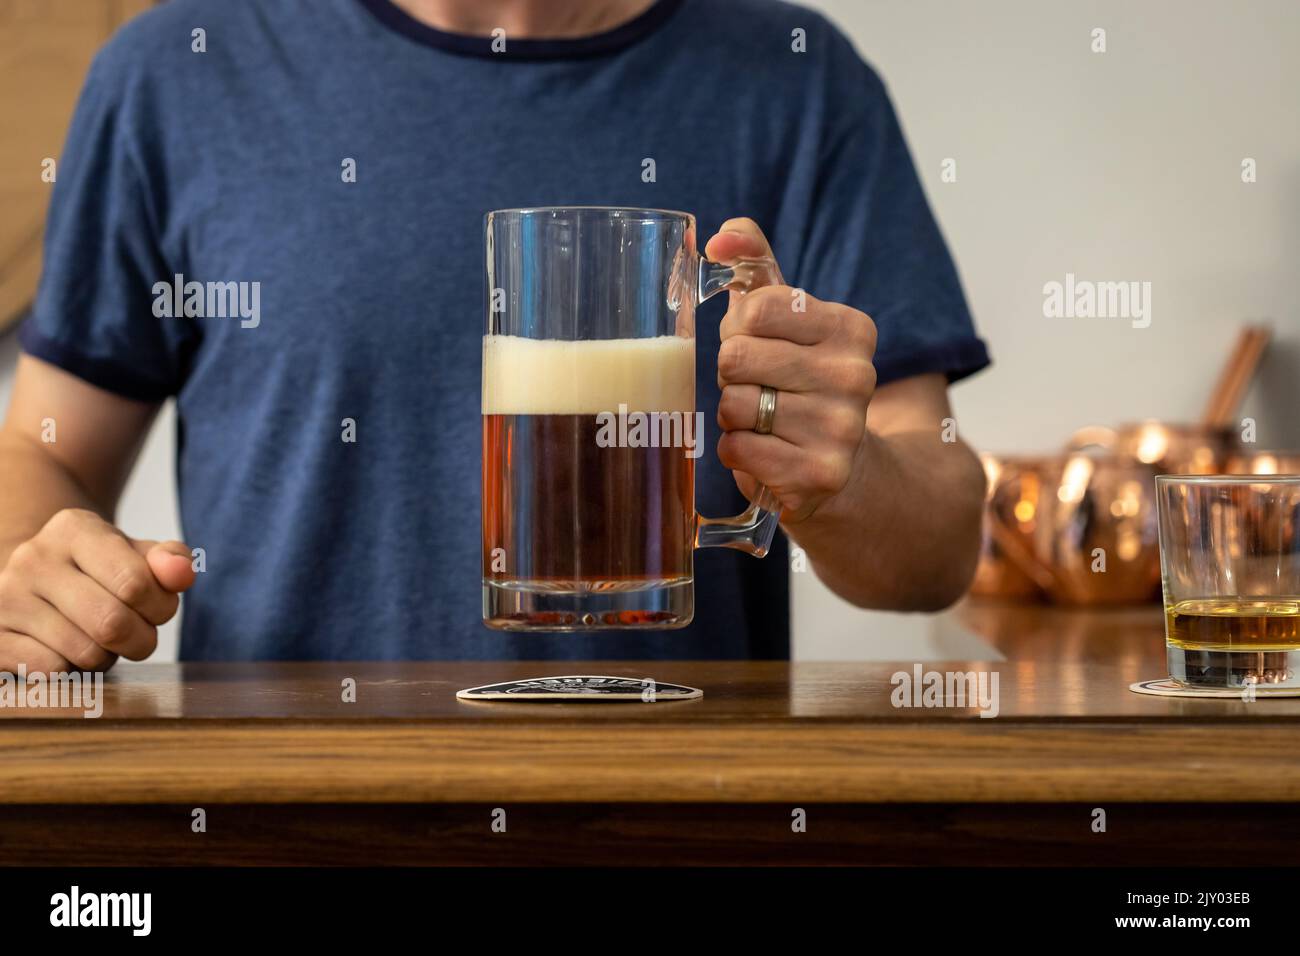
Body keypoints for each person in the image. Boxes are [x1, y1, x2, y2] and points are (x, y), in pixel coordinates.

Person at [0, 0, 990, 670]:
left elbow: (938, 546)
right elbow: (40, 454)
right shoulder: (176, 68)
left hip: (683, 813)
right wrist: (35, 566)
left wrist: (846, 478)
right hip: (282, 815)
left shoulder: (800, 78)